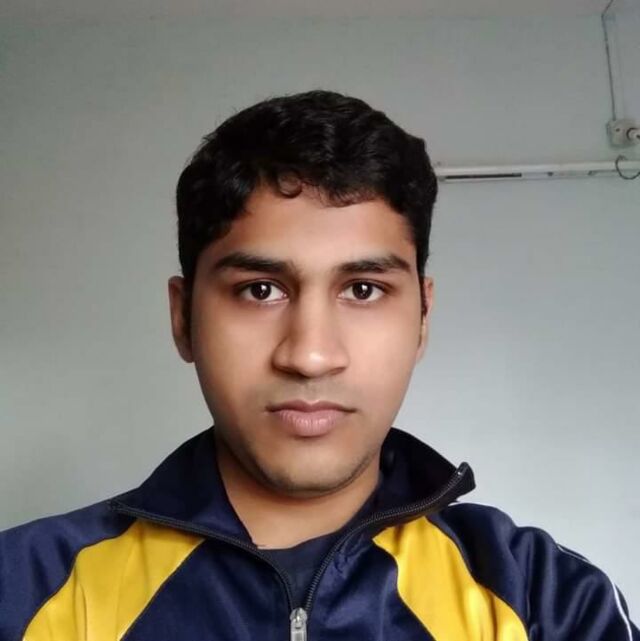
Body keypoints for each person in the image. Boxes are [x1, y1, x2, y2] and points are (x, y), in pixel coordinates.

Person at [0, 89, 636, 641]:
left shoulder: (547, 601)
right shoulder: (26, 590)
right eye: (260, 290)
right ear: (182, 318)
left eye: (362, 289)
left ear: (422, 318)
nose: (309, 356)